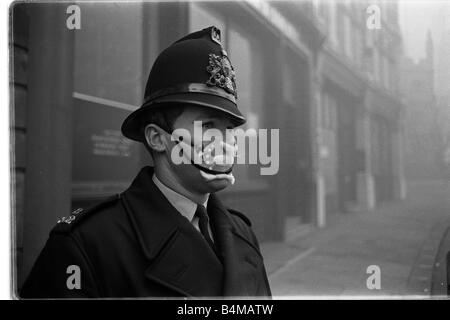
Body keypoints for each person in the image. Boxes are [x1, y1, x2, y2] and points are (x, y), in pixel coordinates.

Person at [20, 26, 272, 298]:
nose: (224, 141)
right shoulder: (87, 245)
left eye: (229, 129)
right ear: (157, 138)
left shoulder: (242, 232)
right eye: (208, 124)